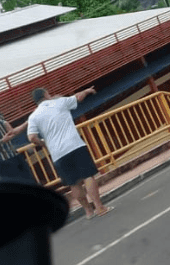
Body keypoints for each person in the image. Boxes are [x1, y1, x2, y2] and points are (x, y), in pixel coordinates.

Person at [27, 87, 112, 219]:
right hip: (75, 145)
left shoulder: (34, 116)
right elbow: (78, 97)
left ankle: (88, 211)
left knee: (74, 183)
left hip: (57, 153)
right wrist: (87, 91)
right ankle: (99, 207)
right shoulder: (59, 102)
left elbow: (32, 137)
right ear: (46, 94)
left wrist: (43, 143)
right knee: (88, 176)